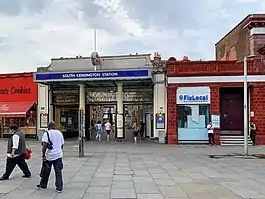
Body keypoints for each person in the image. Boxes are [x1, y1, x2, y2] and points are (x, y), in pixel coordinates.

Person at [37, 121, 65, 193]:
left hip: (49, 156)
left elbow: (44, 145)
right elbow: (62, 144)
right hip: (58, 155)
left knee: (46, 171)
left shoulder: (47, 133)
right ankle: (59, 187)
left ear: (48, 126)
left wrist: (43, 155)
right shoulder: (59, 133)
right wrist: (59, 151)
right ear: (54, 126)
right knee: (58, 171)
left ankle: (43, 185)